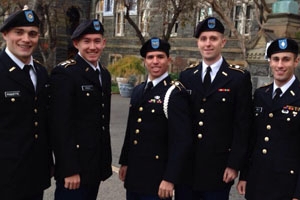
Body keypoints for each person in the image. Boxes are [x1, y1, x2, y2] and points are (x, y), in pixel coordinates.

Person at [178, 17, 253, 200]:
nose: (208, 43)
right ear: (198, 43)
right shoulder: (187, 76)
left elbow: (243, 125)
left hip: (218, 168)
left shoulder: (238, 78)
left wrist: (234, 164)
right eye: (204, 39)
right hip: (187, 167)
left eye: (213, 38)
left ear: (223, 42)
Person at [118, 37, 192, 200]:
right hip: (135, 175)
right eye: (150, 57)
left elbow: (182, 140)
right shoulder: (138, 90)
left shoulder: (175, 93)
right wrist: (125, 162)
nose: (155, 61)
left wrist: (170, 178)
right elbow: (131, 131)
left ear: (168, 60)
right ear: (144, 61)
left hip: (158, 179)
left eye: (160, 57)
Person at [49, 19, 112, 200]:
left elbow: (101, 122)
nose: (93, 46)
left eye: (97, 41)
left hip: (95, 166)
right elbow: (60, 126)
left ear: (104, 43)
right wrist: (69, 169)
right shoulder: (66, 73)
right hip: (74, 170)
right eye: (87, 41)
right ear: (76, 44)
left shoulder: (104, 75)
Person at [237, 38, 300, 200]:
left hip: (287, 184)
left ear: (296, 61)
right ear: (270, 62)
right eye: (276, 59)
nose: (280, 65)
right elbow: (253, 138)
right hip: (258, 181)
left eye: (286, 59)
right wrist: (244, 175)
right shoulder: (261, 95)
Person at [0, 9, 52, 200]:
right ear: (6, 34)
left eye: (32, 34)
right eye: (19, 32)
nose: (26, 39)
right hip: (5, 177)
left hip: (34, 175)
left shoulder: (40, 72)